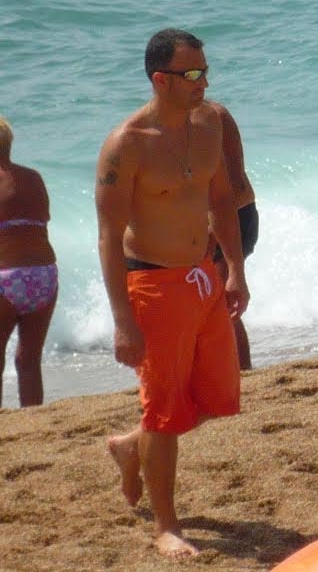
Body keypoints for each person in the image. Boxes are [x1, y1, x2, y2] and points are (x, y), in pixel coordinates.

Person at [98, 29, 248, 559]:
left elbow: (224, 199)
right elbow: (109, 239)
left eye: (205, 70)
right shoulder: (127, 144)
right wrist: (123, 320)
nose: (204, 81)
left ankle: (128, 447)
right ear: (161, 80)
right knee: (164, 412)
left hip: (204, 274)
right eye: (192, 74)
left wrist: (234, 269)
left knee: (216, 396)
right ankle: (166, 524)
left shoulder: (209, 125)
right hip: (153, 283)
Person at [0, 117, 57, 408]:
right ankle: (34, 420)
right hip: (44, 275)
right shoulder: (33, 178)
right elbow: (41, 221)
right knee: (29, 359)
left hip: (5, 279)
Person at [206, 101, 258, 371]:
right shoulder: (157, 123)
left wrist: (211, 236)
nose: (201, 81)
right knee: (205, 305)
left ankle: (243, 375)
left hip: (235, 215)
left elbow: (238, 190)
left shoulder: (214, 115)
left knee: (223, 306)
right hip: (200, 222)